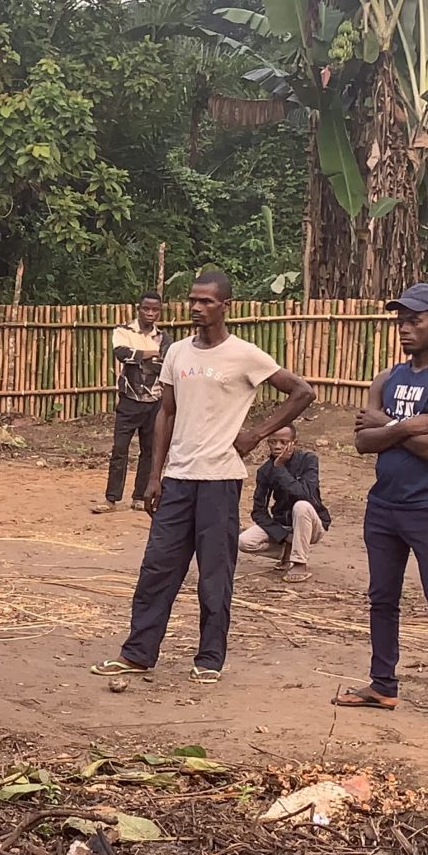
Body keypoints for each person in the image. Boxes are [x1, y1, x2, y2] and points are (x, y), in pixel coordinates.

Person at [113, 269, 316, 683]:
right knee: (157, 569)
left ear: (227, 306)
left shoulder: (244, 355)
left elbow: (302, 391)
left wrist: (257, 433)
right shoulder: (177, 352)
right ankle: (138, 653)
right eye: (192, 300)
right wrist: (156, 474)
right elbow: (165, 412)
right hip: (178, 479)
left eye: (206, 301)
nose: (196, 308)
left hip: (220, 480)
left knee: (215, 574)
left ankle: (208, 659)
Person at [333, 284, 428, 728]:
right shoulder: (387, 378)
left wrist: (387, 427)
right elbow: (361, 441)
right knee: (381, 598)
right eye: (401, 321)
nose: (406, 329)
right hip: (383, 507)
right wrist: (403, 426)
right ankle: (382, 684)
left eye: (415, 320)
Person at [93, 295, 170, 513]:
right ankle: (111, 499)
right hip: (129, 400)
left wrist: (141, 357)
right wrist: (151, 355)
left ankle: (139, 497)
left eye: (155, 310)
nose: (150, 314)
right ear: (139, 309)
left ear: (159, 311)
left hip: (154, 401)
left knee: (149, 450)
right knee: (120, 449)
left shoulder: (164, 338)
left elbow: (164, 364)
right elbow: (122, 354)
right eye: (146, 309)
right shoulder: (123, 331)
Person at [239, 422, 330, 575]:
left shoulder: (308, 460)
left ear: (294, 443)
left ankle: (299, 563)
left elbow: (306, 495)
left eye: (284, 442)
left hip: (311, 525)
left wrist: (280, 468)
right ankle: (287, 552)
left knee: (301, 506)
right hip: (284, 526)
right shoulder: (265, 470)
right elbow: (258, 512)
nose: (277, 446)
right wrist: (282, 535)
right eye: (273, 442)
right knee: (244, 542)